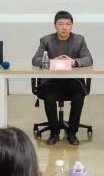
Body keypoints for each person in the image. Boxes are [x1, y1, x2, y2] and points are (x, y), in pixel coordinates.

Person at [31, 10, 93, 145]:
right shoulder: (46, 40)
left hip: (73, 81)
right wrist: (52, 61)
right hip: (51, 81)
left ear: (71, 26)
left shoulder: (79, 40)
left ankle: (72, 132)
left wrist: (74, 62)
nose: (64, 27)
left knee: (78, 97)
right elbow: (35, 60)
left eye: (68, 24)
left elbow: (88, 59)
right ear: (55, 26)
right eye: (60, 24)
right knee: (49, 97)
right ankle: (54, 132)